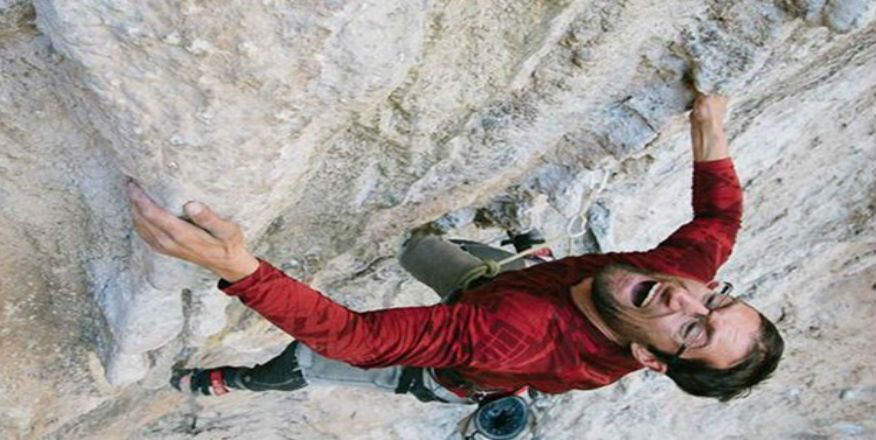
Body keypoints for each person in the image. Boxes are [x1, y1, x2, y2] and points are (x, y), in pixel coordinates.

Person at [126, 94, 783, 410]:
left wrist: (240, 270)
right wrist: (709, 123)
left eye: (693, 328)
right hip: (503, 286)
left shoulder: (512, 337)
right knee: (429, 250)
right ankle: (423, 243)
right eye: (717, 297)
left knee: (306, 359)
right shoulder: (681, 277)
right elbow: (720, 215)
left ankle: (225, 381)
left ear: (649, 358)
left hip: (460, 359)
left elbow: (356, 338)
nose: (687, 296)